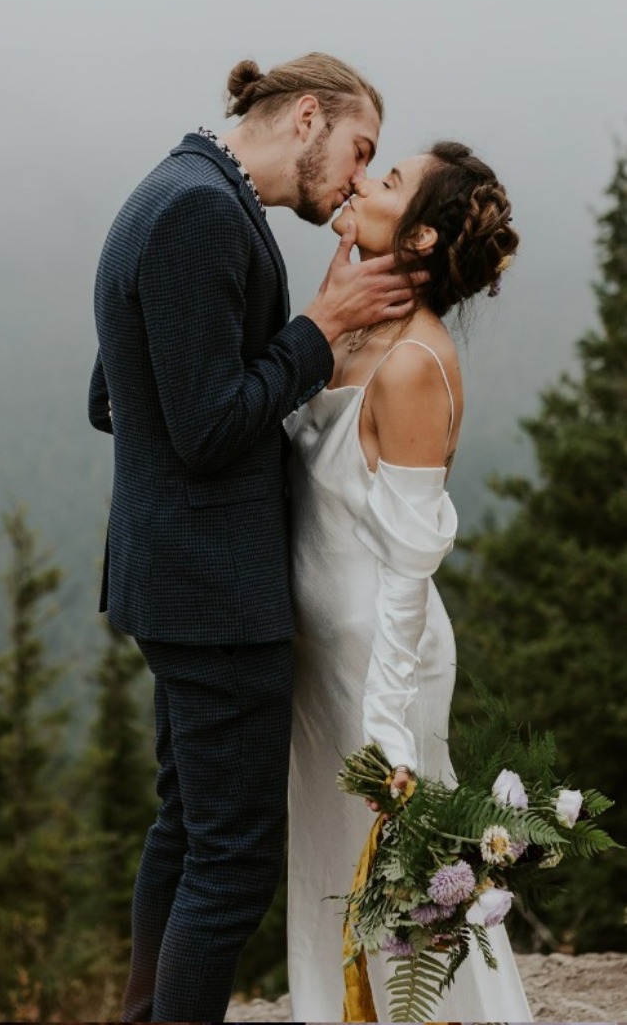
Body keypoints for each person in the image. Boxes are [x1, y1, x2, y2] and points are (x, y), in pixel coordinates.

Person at [88, 52, 427, 1023]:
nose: (361, 178)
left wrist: (288, 352)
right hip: (216, 594)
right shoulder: (201, 214)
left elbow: (114, 394)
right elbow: (200, 429)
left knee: (188, 831)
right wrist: (319, 328)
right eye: (361, 150)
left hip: (176, 581)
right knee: (232, 863)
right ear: (308, 117)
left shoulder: (177, 187)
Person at [285, 141, 533, 1020]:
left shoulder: (413, 365)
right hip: (322, 664)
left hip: (380, 667)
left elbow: (410, 558)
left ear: (421, 239)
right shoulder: (357, 331)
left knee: (411, 890)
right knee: (327, 873)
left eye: (386, 181)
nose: (360, 179)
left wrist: (387, 727)